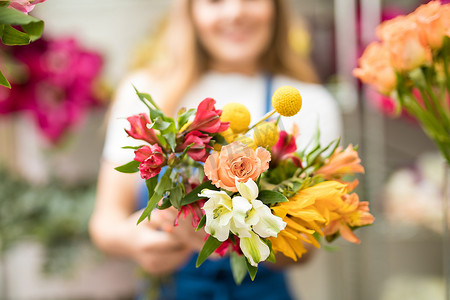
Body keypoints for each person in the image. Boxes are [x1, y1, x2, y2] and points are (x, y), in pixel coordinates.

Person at [89, 0, 342, 299]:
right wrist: (134, 240)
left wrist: (242, 236)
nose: (235, 12)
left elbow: (307, 247)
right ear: (190, 10)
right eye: (214, 0)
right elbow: (104, 223)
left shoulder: (310, 104)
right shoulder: (147, 92)